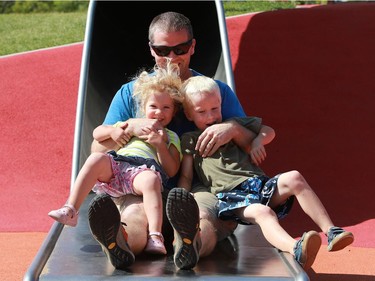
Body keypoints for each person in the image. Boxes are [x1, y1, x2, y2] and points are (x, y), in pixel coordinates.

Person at [89, 11, 257, 270]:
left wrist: (232, 129)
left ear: (192, 46)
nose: (171, 58)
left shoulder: (214, 91)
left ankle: (191, 242)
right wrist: (127, 126)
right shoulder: (131, 93)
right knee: (135, 213)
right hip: (142, 185)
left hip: (201, 187)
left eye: (179, 49)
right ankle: (118, 242)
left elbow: (251, 143)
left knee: (202, 215)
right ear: (151, 50)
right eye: (162, 50)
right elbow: (96, 149)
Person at [176, 75, 354, 270]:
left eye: (215, 109)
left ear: (221, 105)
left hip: (258, 184)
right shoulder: (191, 139)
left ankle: (331, 231)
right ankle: (295, 248)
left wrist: (258, 141)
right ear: (188, 114)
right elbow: (186, 175)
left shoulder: (233, 124)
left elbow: (269, 131)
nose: (210, 116)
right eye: (201, 111)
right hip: (230, 196)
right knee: (264, 212)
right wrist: (183, 198)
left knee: (294, 177)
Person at [48, 61, 184, 257]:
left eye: (166, 108)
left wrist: (161, 146)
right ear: (143, 107)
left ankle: (155, 236)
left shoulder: (170, 137)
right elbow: (97, 133)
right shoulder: (130, 124)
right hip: (119, 167)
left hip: (142, 173)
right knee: (95, 159)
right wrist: (114, 131)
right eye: (153, 106)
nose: (159, 112)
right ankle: (70, 209)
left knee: (151, 180)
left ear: (174, 111)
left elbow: (171, 170)